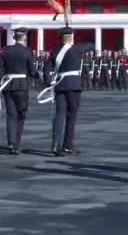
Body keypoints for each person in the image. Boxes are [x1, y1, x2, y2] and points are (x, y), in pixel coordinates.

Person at [38, 27, 94, 156]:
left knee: (59, 115)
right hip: (73, 85)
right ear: (71, 37)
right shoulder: (77, 49)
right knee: (71, 116)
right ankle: (68, 146)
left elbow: (46, 69)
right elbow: (91, 45)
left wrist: (49, 82)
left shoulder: (55, 51)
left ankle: (55, 145)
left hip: (59, 85)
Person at [0, 28, 38, 155]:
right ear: (24, 37)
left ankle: (11, 143)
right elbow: (32, 71)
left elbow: (0, 70)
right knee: (21, 115)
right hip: (22, 86)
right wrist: (40, 77)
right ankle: (16, 144)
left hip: (8, 86)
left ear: (14, 37)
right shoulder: (27, 51)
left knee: (11, 115)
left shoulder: (6, 51)